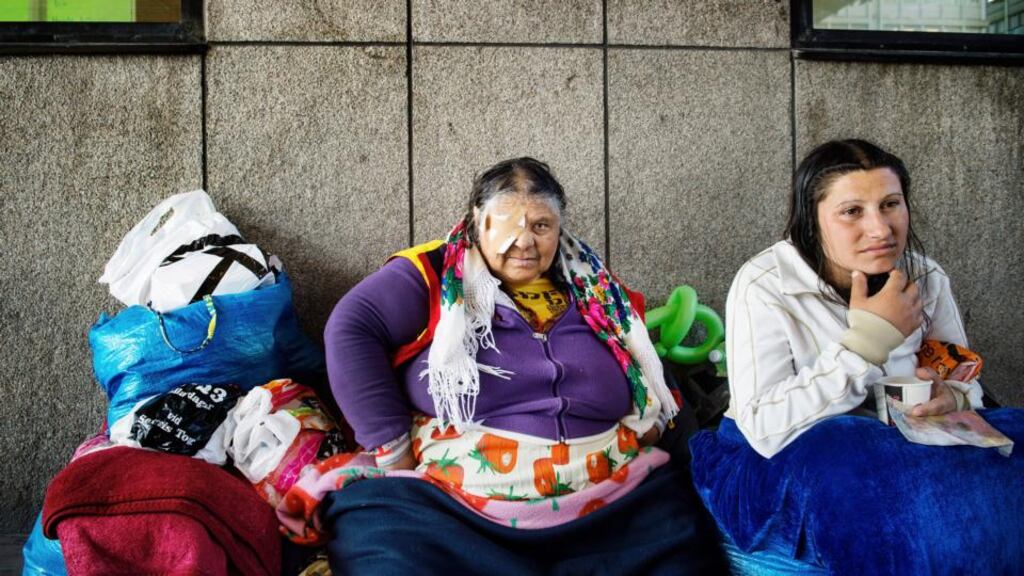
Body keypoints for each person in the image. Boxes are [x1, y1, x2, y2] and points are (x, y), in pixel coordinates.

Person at [322, 157, 728, 574]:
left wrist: (656, 423)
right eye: (508, 224)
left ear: (559, 227)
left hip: (610, 504)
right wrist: (392, 450)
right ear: (478, 219)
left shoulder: (594, 285)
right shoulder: (433, 272)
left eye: (540, 225)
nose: (524, 242)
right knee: (382, 550)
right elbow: (351, 328)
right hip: (454, 510)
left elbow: (644, 366)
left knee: (688, 552)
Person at [725, 138, 983, 458]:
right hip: (803, 457)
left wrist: (955, 397)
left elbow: (964, 377)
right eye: (852, 211)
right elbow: (762, 427)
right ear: (811, 221)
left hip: (905, 444)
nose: (881, 230)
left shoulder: (925, 276)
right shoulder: (763, 285)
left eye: (890, 204)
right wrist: (867, 344)